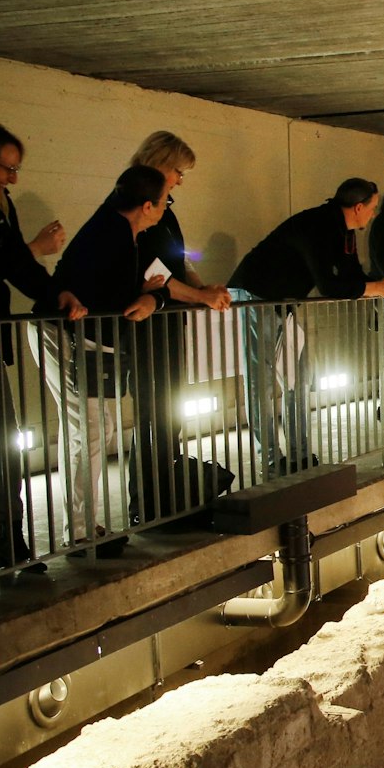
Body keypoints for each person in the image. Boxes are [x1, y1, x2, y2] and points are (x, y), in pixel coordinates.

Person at [0, 121, 84, 572]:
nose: (11, 178)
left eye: (15, 170)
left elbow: (14, 266)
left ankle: (12, 539)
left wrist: (55, 294)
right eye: (6, 168)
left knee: (3, 439)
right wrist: (35, 248)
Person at [229, 178, 384, 470]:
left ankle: (299, 453)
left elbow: (351, 276)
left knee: (299, 376)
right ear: (358, 207)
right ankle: (272, 460)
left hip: (282, 303)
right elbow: (329, 285)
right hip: (256, 296)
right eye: (372, 208)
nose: (373, 214)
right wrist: (378, 289)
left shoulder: (342, 231)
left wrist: (381, 286)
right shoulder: (318, 226)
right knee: (261, 381)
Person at [42, 165, 172, 554]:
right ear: (147, 205)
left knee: (98, 429)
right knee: (91, 429)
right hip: (69, 337)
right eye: (165, 200)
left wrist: (151, 295)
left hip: (84, 340)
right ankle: (79, 532)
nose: (167, 207)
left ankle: (85, 527)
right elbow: (115, 296)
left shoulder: (117, 230)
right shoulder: (112, 233)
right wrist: (147, 295)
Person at [126, 132, 228, 526]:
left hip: (166, 318)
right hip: (149, 322)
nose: (181, 180)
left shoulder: (164, 210)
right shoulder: (143, 207)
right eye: (178, 171)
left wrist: (200, 288)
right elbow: (156, 271)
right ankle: (151, 504)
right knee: (156, 412)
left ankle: (161, 498)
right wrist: (199, 296)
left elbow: (174, 263)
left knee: (166, 414)